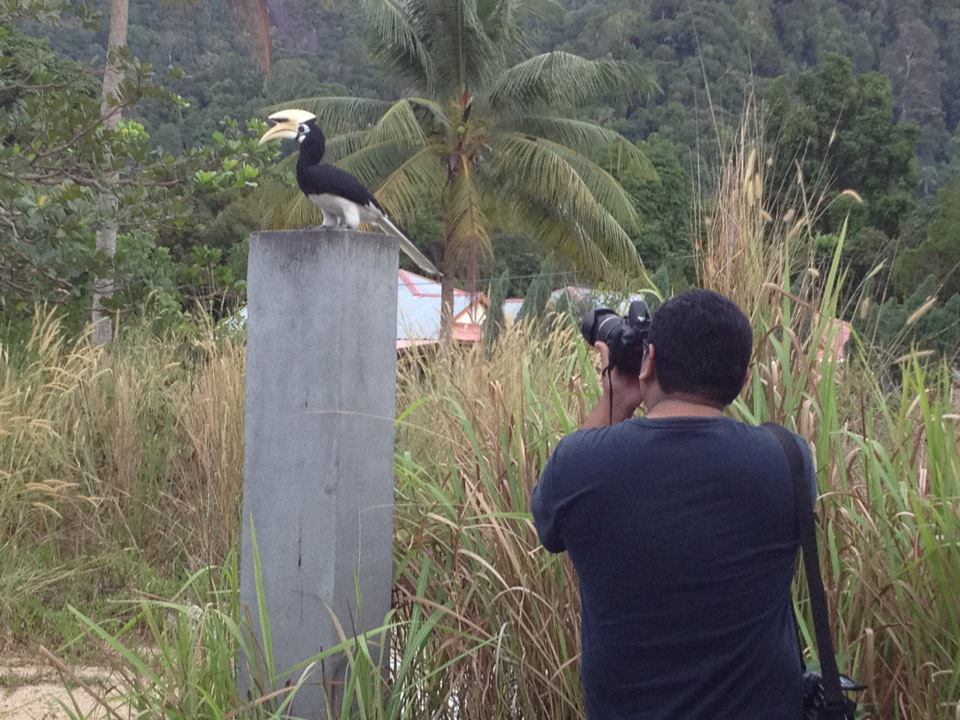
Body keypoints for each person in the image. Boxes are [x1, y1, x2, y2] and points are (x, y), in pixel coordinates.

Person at [531, 289, 815, 720]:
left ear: (649, 361)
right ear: (742, 381)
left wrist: (615, 399)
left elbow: (548, 525)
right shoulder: (790, 460)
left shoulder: (579, 464)